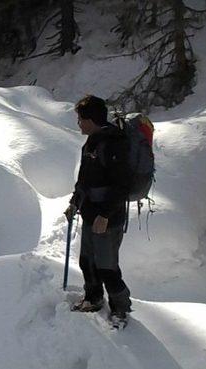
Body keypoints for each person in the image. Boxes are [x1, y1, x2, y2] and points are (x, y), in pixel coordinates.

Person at [65, 95, 132, 329]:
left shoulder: (114, 143)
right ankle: (93, 298)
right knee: (87, 261)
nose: (79, 124)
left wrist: (105, 215)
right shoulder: (92, 142)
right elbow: (85, 179)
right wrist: (75, 202)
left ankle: (121, 309)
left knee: (107, 266)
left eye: (81, 119)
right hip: (90, 214)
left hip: (107, 218)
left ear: (91, 119)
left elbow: (121, 186)